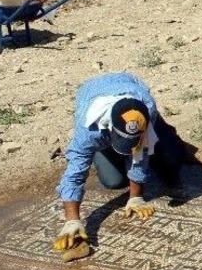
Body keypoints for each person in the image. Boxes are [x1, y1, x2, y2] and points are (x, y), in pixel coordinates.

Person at [53, 72, 185, 259]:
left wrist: (136, 197)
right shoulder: (88, 129)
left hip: (130, 90)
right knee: (113, 181)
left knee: (173, 159)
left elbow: (141, 152)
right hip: (96, 105)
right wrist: (72, 220)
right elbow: (75, 172)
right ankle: (105, 149)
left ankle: (166, 134)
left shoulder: (147, 109)